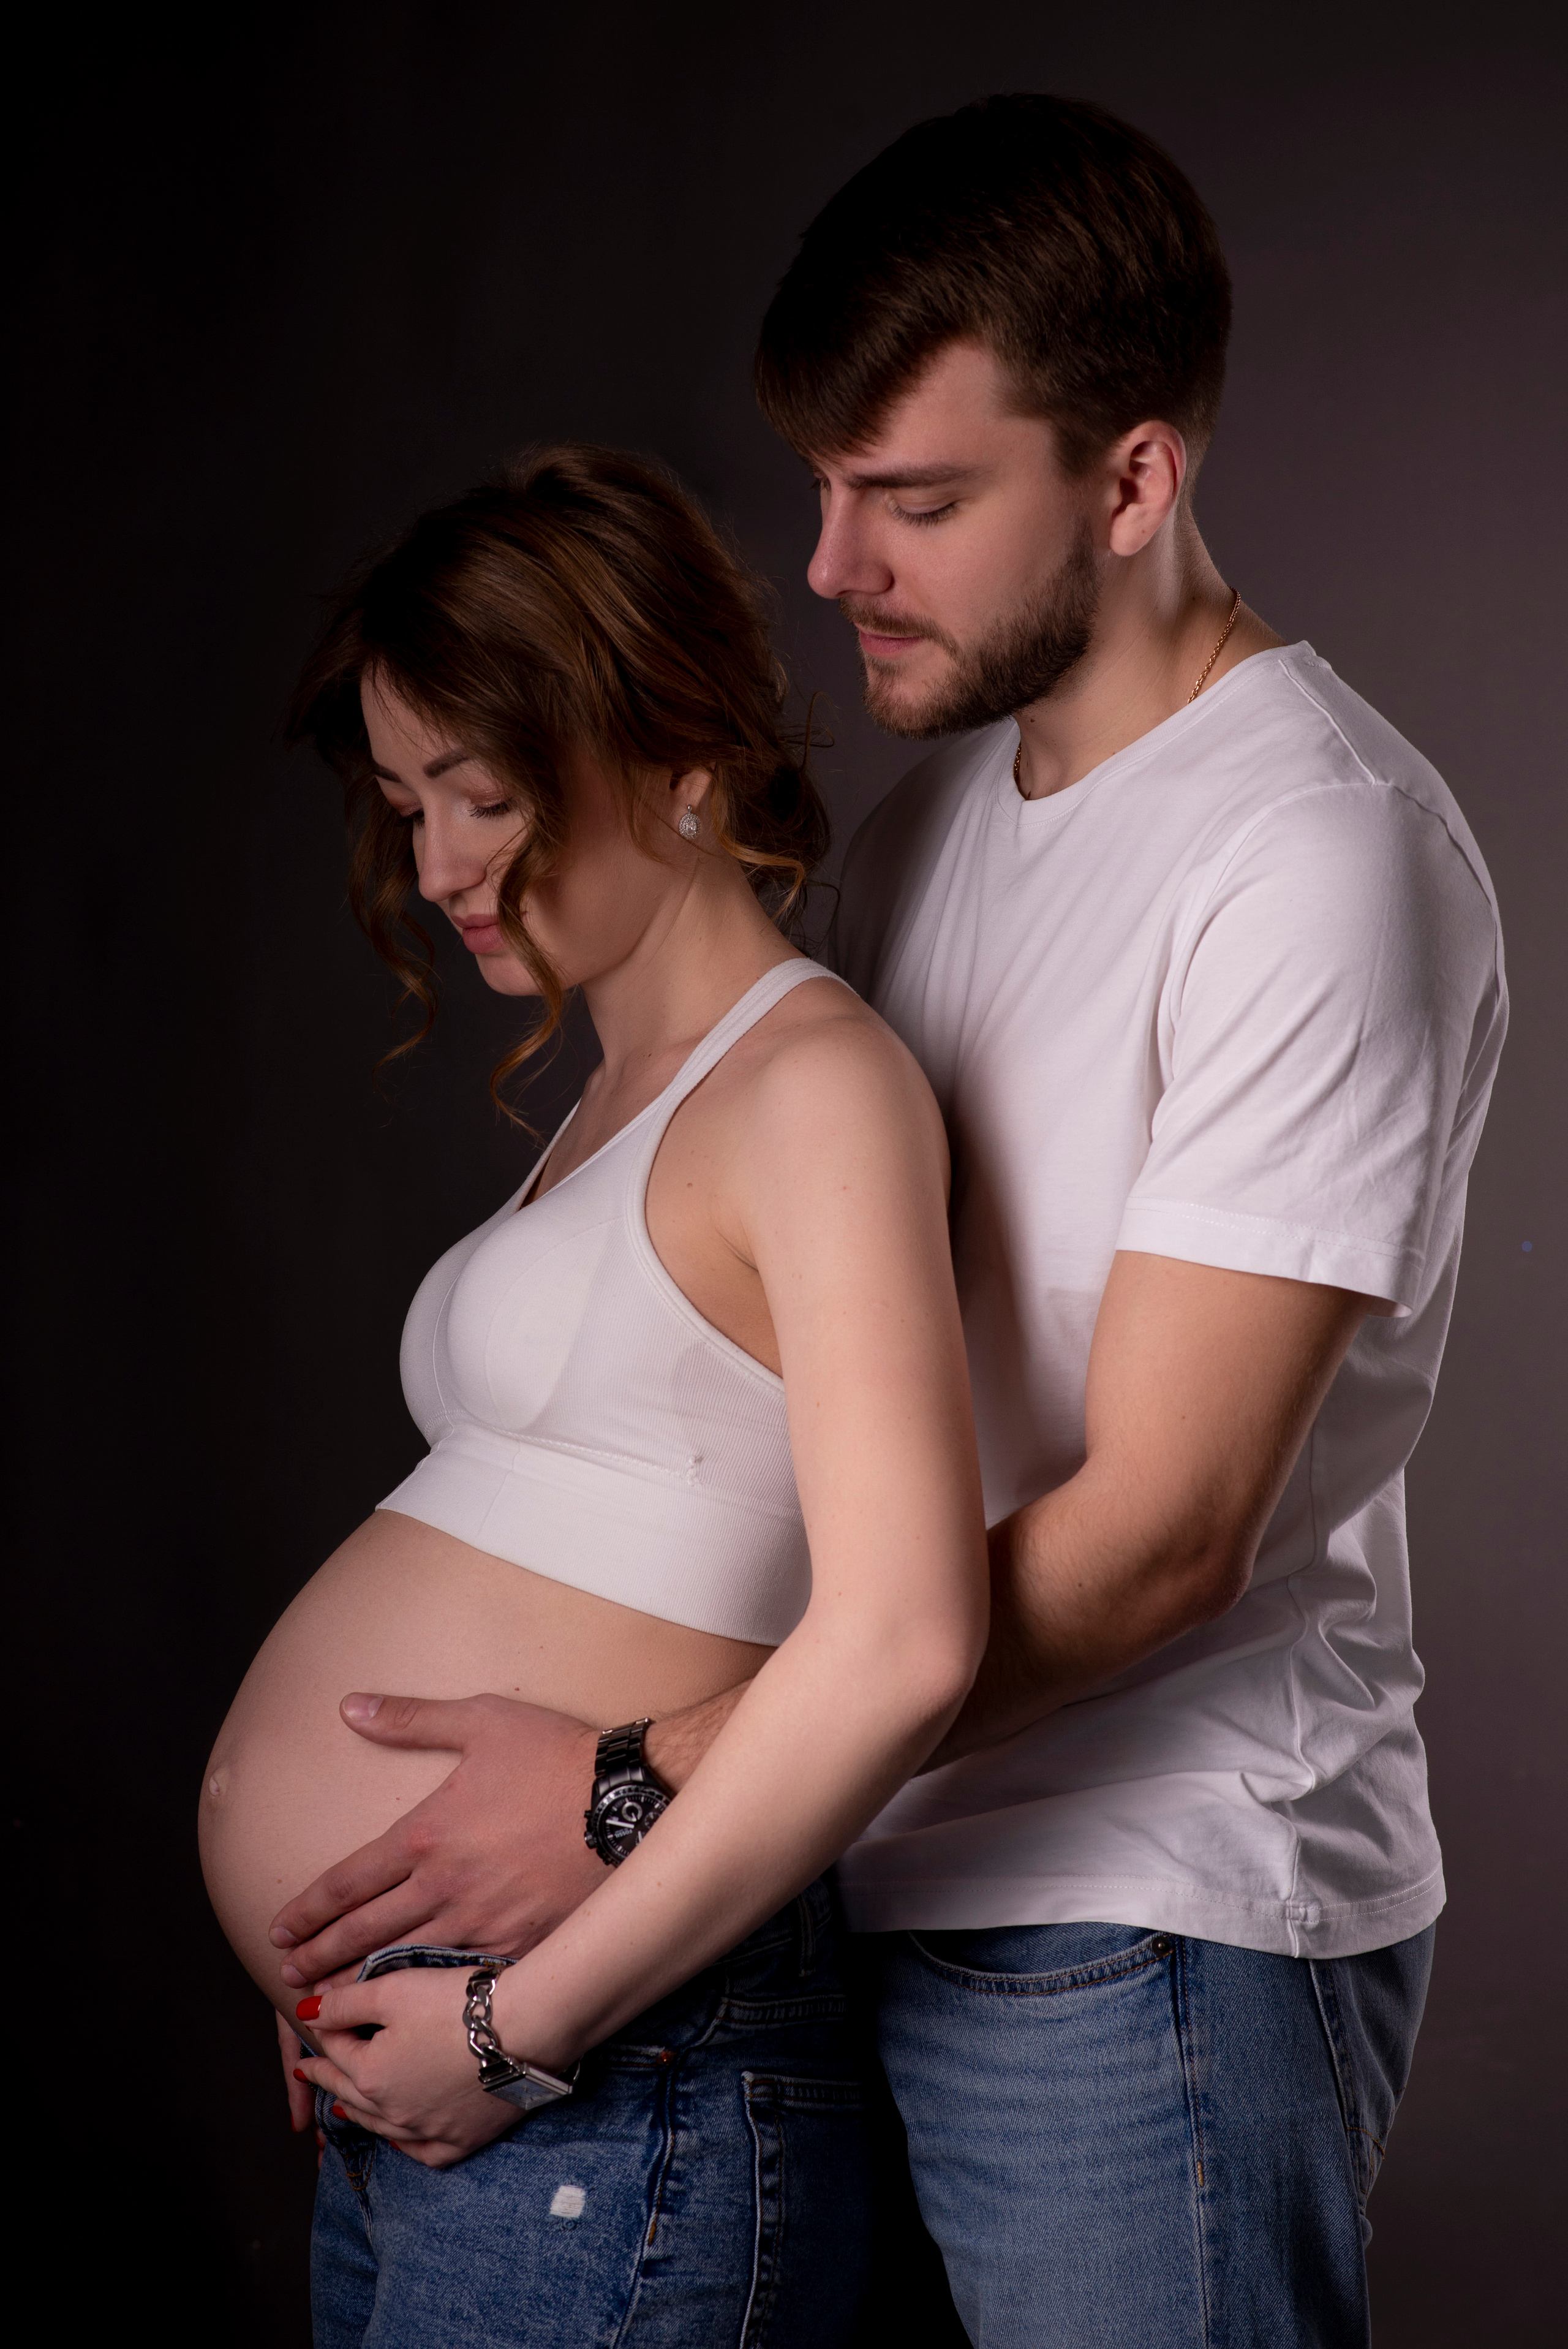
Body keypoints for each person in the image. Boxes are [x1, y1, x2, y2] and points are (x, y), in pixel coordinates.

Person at [262, 100, 1506, 2346]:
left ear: (1133, 482)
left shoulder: (1311, 854)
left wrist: (634, 1788)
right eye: (828, 488)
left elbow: (1160, 1531)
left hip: (1141, 1911)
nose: (830, 567)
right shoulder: (932, 833)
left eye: (916, 502)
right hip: (849, 1889)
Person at [198, 442, 989, 2346]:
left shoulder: (811, 1090)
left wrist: (507, 2027)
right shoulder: (620, 1105)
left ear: (681, 754)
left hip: (599, 2065)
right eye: (407, 802)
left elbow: (904, 1640)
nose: (438, 862)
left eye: (486, 793)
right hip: (462, 2083)